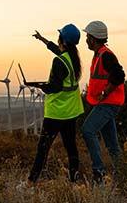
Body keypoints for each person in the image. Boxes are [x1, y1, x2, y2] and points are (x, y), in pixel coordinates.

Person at [24, 24, 84, 183]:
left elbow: (55, 87)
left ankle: (31, 182)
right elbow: (54, 48)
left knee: (43, 148)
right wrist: (42, 39)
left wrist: (39, 86)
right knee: (71, 147)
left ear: (62, 40)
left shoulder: (59, 61)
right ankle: (74, 179)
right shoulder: (72, 58)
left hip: (56, 113)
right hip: (71, 111)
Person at [81, 20, 125, 184]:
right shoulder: (100, 54)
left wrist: (105, 92)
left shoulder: (105, 55)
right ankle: (122, 174)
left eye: (87, 36)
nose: (86, 39)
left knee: (88, 130)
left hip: (109, 103)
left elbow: (119, 75)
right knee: (112, 144)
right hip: (107, 103)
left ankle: (98, 172)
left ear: (93, 38)